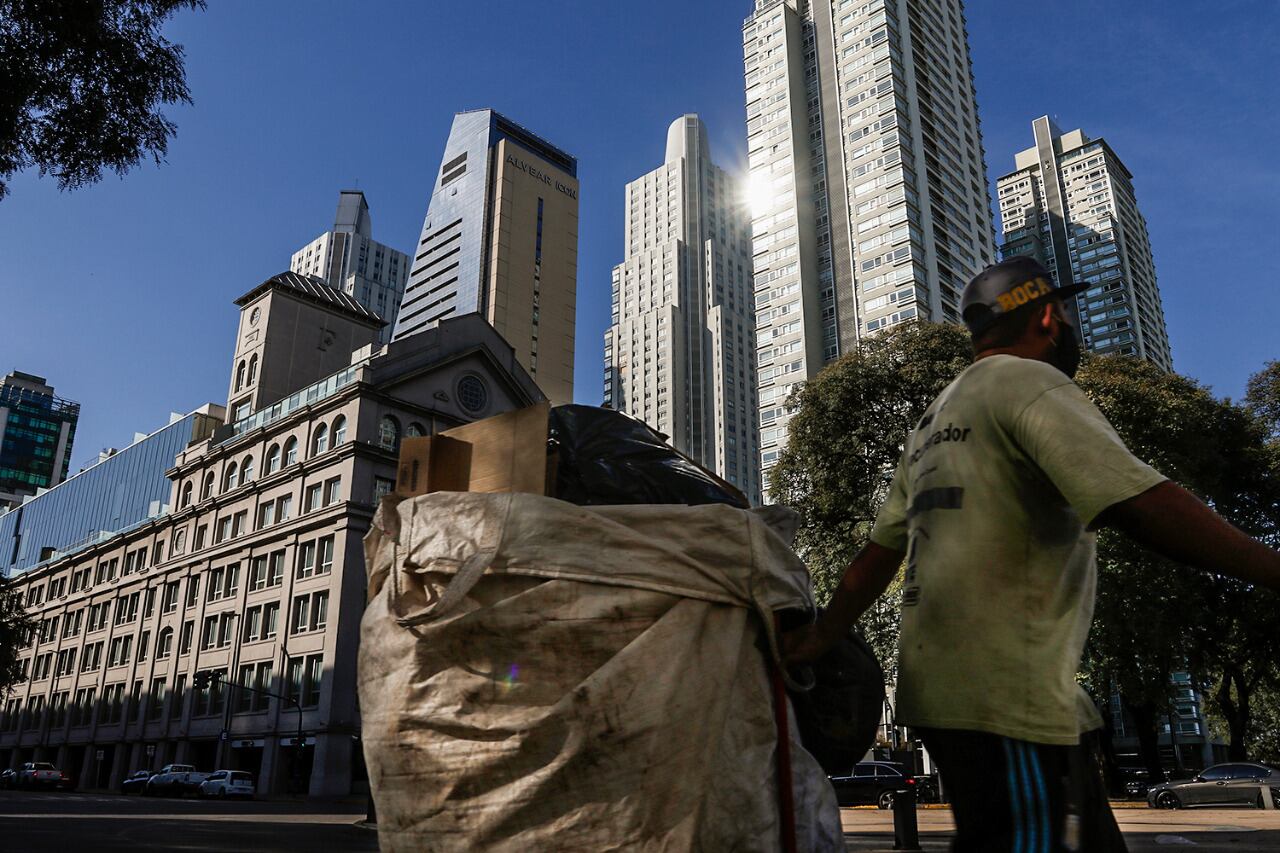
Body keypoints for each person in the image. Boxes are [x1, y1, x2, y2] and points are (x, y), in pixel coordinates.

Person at [783, 256, 1280, 851]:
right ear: (1047, 315)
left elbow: (878, 554)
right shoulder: (1027, 382)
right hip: (1006, 694)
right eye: (1064, 312)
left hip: (951, 690)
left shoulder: (932, 421)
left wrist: (821, 635)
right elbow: (1139, 501)